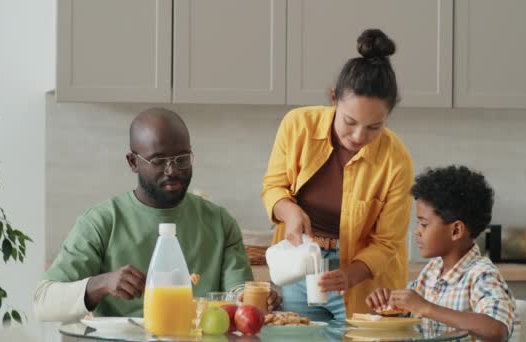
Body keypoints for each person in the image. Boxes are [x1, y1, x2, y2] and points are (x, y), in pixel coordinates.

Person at [35, 108, 280, 321]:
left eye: (182, 158)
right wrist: (101, 284)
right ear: (133, 162)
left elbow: (237, 293)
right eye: (158, 161)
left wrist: (257, 298)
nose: (172, 170)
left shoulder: (219, 222)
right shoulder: (101, 222)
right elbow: (43, 302)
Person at [261, 28, 414, 320]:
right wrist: (290, 212)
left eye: (374, 127)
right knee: (300, 339)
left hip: (367, 281)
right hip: (301, 265)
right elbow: (273, 187)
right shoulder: (298, 125)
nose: (358, 136)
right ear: (334, 98)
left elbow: (387, 242)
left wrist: (349, 276)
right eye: (350, 121)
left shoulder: (397, 160)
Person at [366, 166, 516, 341]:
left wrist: (426, 308)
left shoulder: (481, 274)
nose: (417, 231)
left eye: (424, 224)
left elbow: (497, 330)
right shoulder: (431, 271)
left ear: (456, 230)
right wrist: (388, 306)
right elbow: (408, 315)